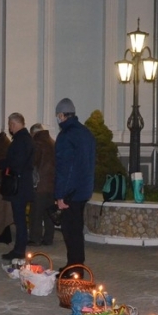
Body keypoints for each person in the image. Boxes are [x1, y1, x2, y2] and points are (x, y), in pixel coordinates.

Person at [54, 98, 96, 272]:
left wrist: (60, 195)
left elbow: (65, 168)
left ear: (62, 115)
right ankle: (75, 265)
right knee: (76, 230)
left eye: (58, 115)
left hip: (70, 192)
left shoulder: (66, 136)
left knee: (70, 232)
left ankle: (75, 268)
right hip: (83, 189)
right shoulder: (86, 133)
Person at [0, 113, 34, 260]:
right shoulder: (26, 139)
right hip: (23, 184)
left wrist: (2, 163)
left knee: (19, 220)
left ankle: (19, 251)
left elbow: (17, 163)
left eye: (9, 124)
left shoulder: (21, 141)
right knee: (20, 220)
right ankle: (19, 249)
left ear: (14, 124)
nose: (9, 128)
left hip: (19, 186)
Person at [29, 123, 55, 246]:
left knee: (36, 213)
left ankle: (35, 238)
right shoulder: (53, 143)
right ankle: (48, 238)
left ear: (34, 133)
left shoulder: (37, 144)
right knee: (48, 213)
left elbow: (33, 162)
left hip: (40, 185)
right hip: (52, 184)